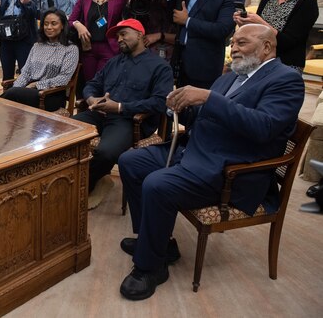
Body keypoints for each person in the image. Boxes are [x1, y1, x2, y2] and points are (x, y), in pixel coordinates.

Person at [117, 24, 304, 301]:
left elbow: (263, 127)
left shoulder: (285, 80)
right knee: (130, 161)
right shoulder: (230, 77)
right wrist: (181, 107)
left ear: (266, 47)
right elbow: (204, 116)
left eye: (242, 43)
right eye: (233, 43)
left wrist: (208, 97)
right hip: (194, 151)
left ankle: (150, 268)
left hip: (228, 170)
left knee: (157, 185)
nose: (234, 49)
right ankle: (158, 243)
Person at [72, 18, 172, 193]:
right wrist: (90, 99)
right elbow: (92, 85)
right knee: (63, 132)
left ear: (140, 34)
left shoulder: (160, 67)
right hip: (100, 112)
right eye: (117, 36)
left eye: (123, 34)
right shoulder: (114, 62)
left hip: (130, 120)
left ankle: (81, 188)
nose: (119, 39)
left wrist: (119, 107)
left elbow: (159, 102)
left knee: (106, 153)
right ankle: (68, 179)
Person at [171, 0, 245, 89]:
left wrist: (188, 21)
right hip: (181, 63)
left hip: (205, 67)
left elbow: (222, 29)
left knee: (201, 109)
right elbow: (175, 15)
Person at [0, 8, 79, 111]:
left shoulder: (71, 49)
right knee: (12, 94)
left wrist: (36, 85)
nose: (49, 27)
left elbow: (63, 78)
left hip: (51, 94)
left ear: (63, 26)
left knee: (11, 95)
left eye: (54, 23)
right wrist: (18, 87)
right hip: (29, 91)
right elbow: (26, 72)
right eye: (46, 24)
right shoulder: (37, 46)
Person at [69, 0, 128, 83]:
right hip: (88, 48)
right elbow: (71, 20)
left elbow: (127, 20)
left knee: (103, 84)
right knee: (89, 84)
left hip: (109, 48)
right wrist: (78, 25)